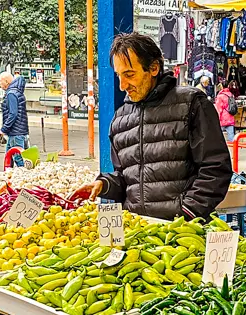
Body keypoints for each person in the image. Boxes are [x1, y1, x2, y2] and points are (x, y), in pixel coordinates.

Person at [74, 33, 231, 220]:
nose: (123, 85)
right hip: (138, 233)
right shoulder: (120, 119)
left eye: (129, 75)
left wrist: (187, 214)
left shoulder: (191, 104)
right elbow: (128, 179)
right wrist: (105, 184)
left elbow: (215, 169)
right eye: (119, 76)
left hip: (181, 235)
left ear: (154, 68)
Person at [0, 72, 29, 168]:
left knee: (19, 159)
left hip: (16, 133)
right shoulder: (16, 92)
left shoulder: (11, 94)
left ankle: (27, 177)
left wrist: (4, 129)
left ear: (6, 81)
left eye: (0, 81)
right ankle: (9, 177)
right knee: (9, 157)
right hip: (19, 132)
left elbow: (13, 114)